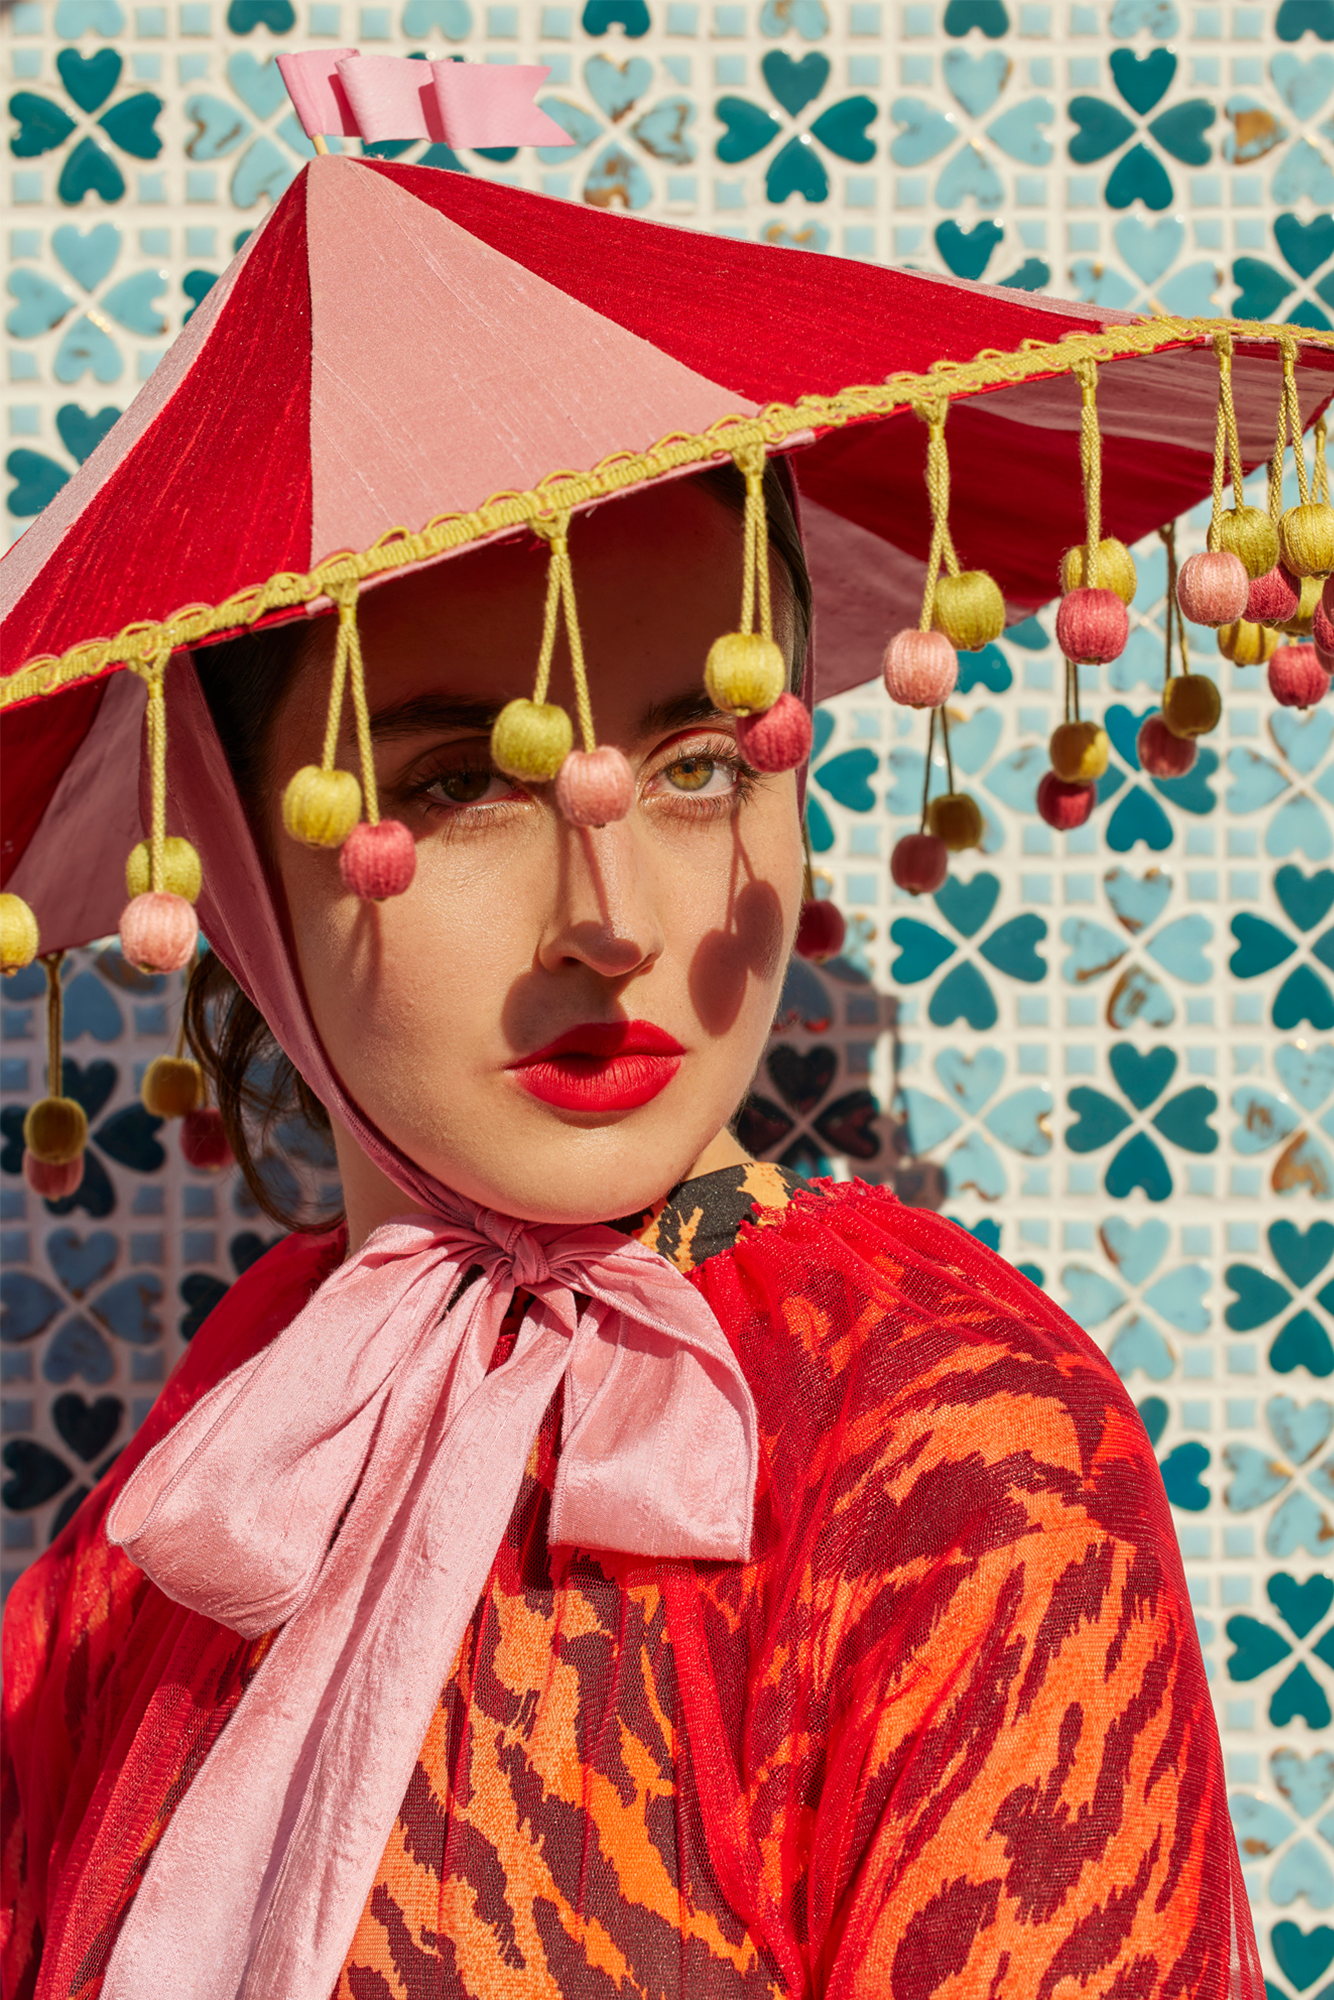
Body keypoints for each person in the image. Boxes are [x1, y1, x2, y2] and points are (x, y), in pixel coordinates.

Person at [0, 145, 1266, 2000]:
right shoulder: (231, 1454)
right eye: (446, 782)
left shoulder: (948, 1451)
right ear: (235, 863)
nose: (613, 915)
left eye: (699, 760)